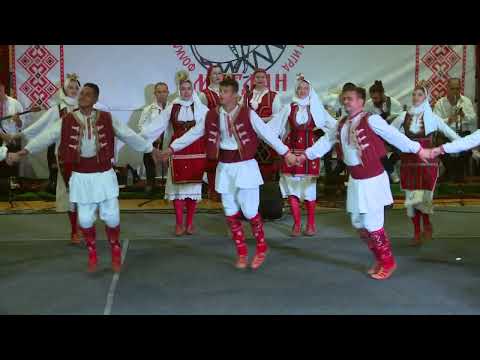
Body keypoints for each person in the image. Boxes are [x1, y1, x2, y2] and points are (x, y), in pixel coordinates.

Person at [9, 83, 158, 273]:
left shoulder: (107, 118)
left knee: (111, 217)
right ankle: (92, 251)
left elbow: (129, 135)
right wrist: (21, 153)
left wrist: (151, 150)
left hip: (104, 175)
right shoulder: (67, 120)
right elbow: (46, 137)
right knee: (85, 220)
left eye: (87, 94)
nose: (82, 97)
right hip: (80, 176)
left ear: (95, 99)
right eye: (81, 94)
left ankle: (114, 247)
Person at [156, 76, 296, 270]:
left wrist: (286, 153)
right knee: (230, 211)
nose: (221, 95)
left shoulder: (248, 114)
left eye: (225, 92)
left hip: (245, 167)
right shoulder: (212, 115)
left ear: (235, 95)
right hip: (225, 168)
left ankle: (262, 247)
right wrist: (171, 149)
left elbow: (267, 134)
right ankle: (241, 252)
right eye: (220, 91)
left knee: (249, 211)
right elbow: (194, 134)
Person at [299, 86, 430, 280]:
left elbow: (395, 136)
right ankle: (379, 257)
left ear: (361, 101)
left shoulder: (372, 119)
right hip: (356, 181)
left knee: (372, 223)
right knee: (358, 223)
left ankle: (388, 262)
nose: (346, 102)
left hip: (373, 180)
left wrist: (418, 150)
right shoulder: (341, 123)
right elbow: (325, 142)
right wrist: (304, 156)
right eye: (344, 99)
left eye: (350, 98)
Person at [13, 74, 82, 244]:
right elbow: (40, 127)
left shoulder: (86, 106)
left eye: (75, 88)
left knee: (84, 192)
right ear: (64, 90)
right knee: (70, 193)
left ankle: (84, 226)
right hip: (65, 155)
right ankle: (74, 230)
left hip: (85, 155)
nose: (73, 91)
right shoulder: (58, 109)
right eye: (70, 88)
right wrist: (19, 134)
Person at [391, 81, 460, 245]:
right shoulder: (403, 116)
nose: (416, 97)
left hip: (426, 163)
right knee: (412, 199)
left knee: (424, 198)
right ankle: (416, 232)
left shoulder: (432, 118)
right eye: (414, 94)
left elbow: (451, 134)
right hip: (409, 163)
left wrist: (467, 144)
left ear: (426, 97)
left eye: (420, 94)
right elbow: (389, 132)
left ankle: (427, 224)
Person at [141, 71, 208, 236]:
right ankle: (179, 224)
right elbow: (157, 126)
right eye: (183, 88)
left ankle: (190, 223)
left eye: (188, 88)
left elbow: (207, 128)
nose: (186, 91)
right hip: (177, 150)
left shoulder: (201, 108)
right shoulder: (173, 107)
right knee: (177, 187)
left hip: (196, 148)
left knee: (193, 186)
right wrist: (141, 139)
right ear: (179, 90)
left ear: (193, 90)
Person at [268, 74, 336, 236]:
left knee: (309, 189)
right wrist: (256, 130)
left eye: (305, 88)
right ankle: (297, 224)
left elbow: (334, 125)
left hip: (309, 153)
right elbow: (273, 127)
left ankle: (311, 224)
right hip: (291, 152)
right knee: (292, 188)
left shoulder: (317, 109)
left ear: (310, 90)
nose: (302, 90)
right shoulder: (288, 108)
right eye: (299, 88)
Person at [433, 78, 478, 181]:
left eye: (458, 89)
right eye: (453, 89)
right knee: (439, 144)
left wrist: (464, 116)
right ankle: (454, 172)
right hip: (446, 135)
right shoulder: (440, 104)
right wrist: (448, 120)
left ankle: (452, 173)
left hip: (462, 133)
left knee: (468, 144)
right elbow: (435, 123)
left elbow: (473, 119)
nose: (455, 92)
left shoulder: (466, 101)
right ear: (447, 89)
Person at [244, 68, 283, 180]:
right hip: (250, 137)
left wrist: (259, 121)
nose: (260, 79)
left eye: (262, 77)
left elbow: (277, 117)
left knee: (267, 166)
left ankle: (267, 191)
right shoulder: (246, 96)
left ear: (266, 80)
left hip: (267, 137)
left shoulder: (273, 96)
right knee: (250, 164)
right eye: (257, 77)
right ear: (253, 79)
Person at [138, 82, 170, 194]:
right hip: (153, 141)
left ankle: (171, 183)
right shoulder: (148, 109)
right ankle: (150, 182)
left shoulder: (173, 107)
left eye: (164, 91)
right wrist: (153, 137)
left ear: (168, 93)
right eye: (159, 92)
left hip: (168, 140)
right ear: (155, 94)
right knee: (148, 156)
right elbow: (141, 126)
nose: (162, 94)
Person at [199, 65, 224, 202]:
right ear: (209, 76)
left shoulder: (227, 91)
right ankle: (213, 191)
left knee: (225, 160)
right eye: (214, 73)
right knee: (213, 162)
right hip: (212, 132)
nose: (217, 76)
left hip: (227, 132)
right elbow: (202, 117)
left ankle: (223, 189)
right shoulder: (204, 94)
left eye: (219, 73)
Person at [0, 80, 33, 178]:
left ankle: (12, 188)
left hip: (13, 141)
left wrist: (18, 120)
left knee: (12, 167)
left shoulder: (15, 104)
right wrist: (2, 136)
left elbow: (22, 125)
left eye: (0, 91)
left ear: (3, 90)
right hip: (1, 139)